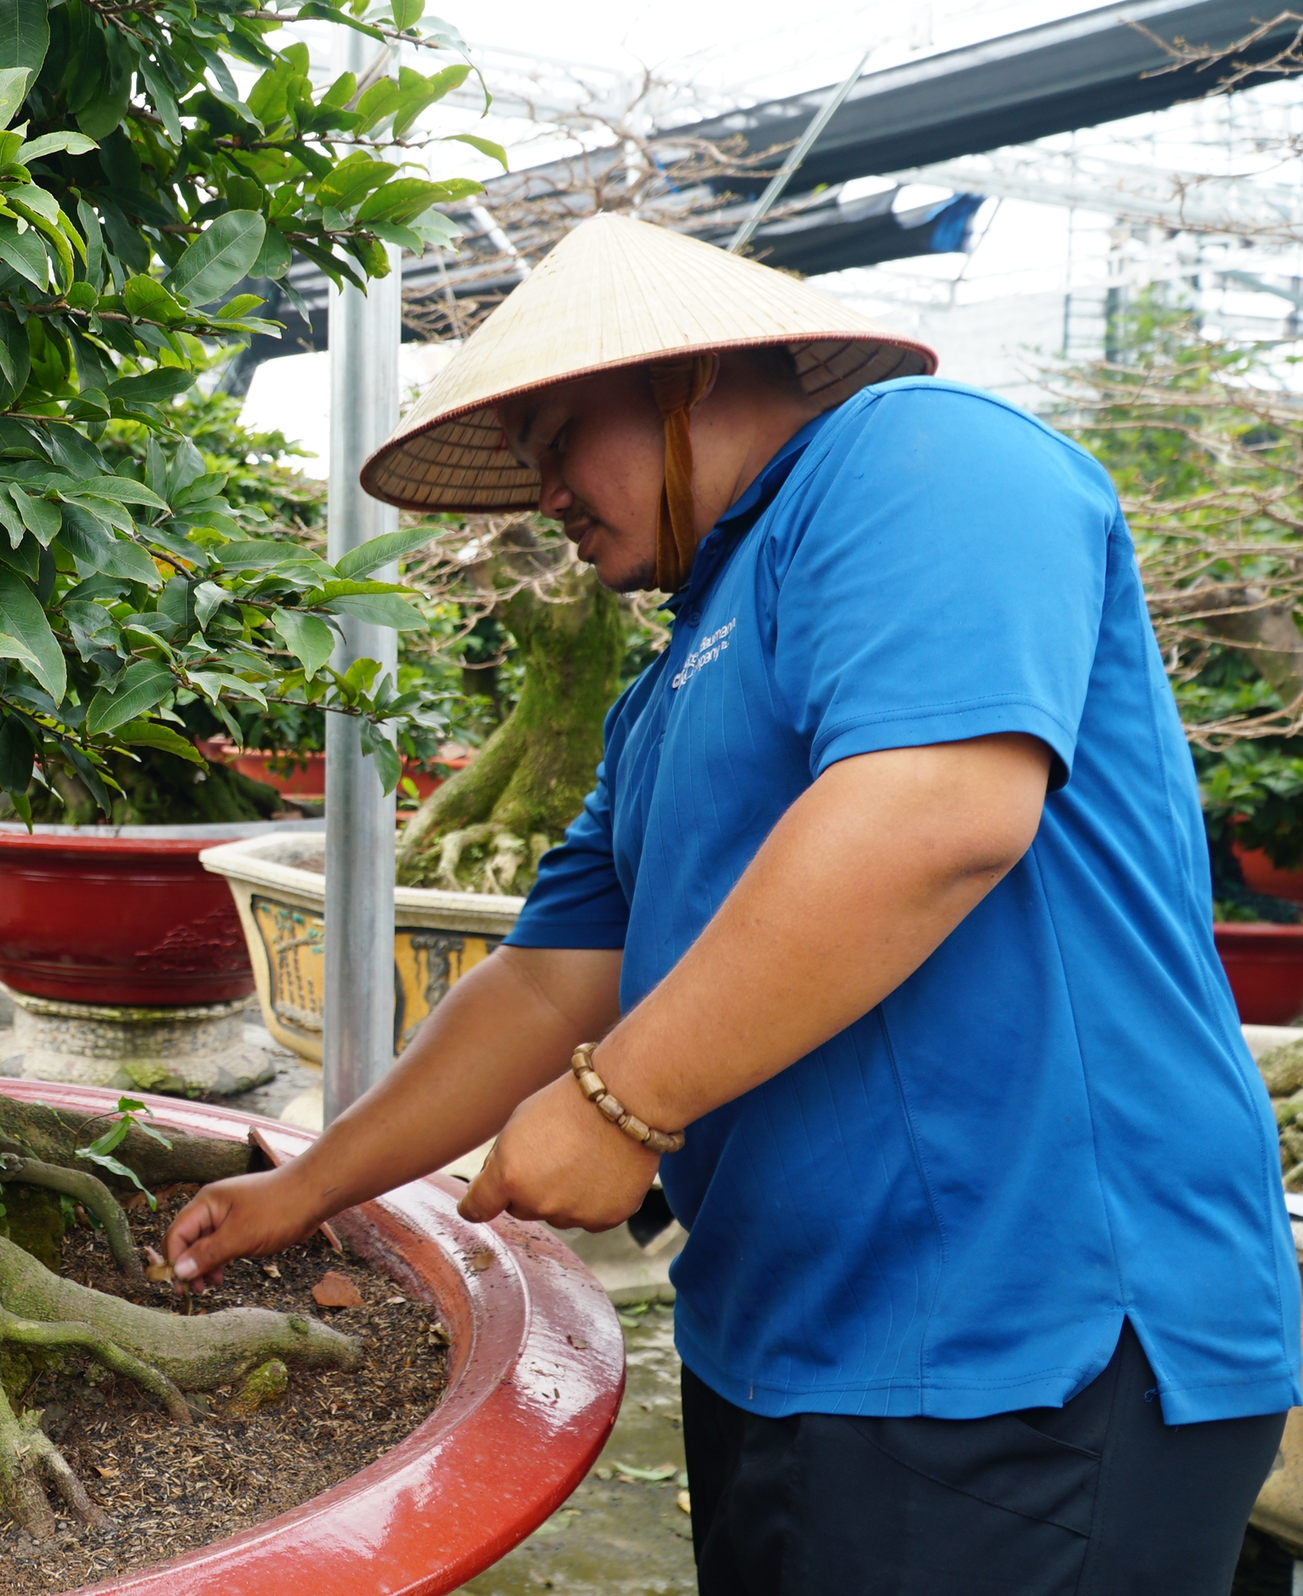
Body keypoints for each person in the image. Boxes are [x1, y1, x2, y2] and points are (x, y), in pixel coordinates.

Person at [163, 213, 1302, 1593]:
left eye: (557, 438)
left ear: (685, 375)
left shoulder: (926, 457)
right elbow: (547, 980)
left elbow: (938, 812)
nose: (545, 494)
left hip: (1030, 1344)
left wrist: (618, 1105)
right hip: (793, 1341)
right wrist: (310, 1186)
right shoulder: (668, 687)